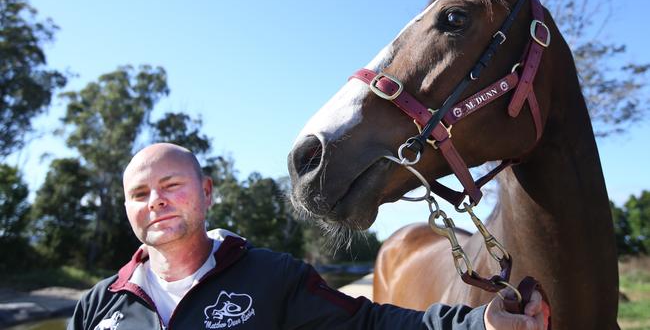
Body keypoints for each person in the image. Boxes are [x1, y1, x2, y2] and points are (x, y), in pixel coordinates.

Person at [68, 143, 547, 330]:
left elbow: (370, 326)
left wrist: (478, 324)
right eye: (140, 193)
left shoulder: (272, 278)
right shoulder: (97, 307)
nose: (155, 200)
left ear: (206, 192)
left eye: (171, 185)